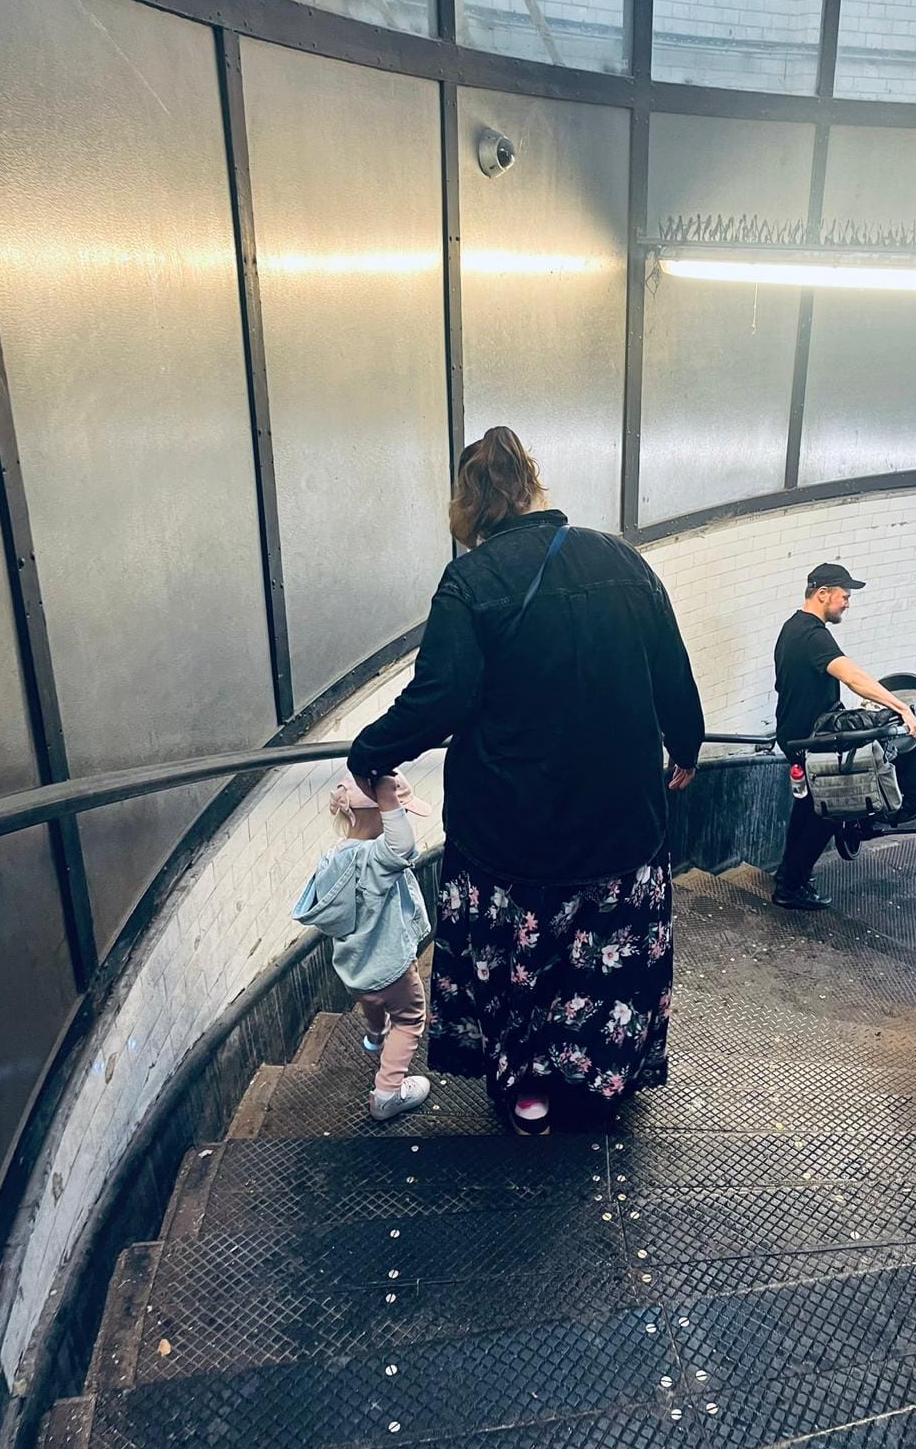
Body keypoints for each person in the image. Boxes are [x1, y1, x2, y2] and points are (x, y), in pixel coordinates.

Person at [347, 426, 704, 1135]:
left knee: (524, 960)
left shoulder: (471, 581)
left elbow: (441, 697)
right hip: (619, 820)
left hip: (512, 830)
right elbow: (674, 675)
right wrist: (686, 749)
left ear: (469, 506)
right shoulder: (624, 562)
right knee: (602, 964)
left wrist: (371, 752)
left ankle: (531, 1094)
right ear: (534, 486)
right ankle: (603, 1082)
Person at [772, 562, 916, 911]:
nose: (847, 603)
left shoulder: (790, 628)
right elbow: (852, 674)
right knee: (830, 810)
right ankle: (790, 888)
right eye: (844, 596)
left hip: (795, 734)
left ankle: (789, 876)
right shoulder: (813, 635)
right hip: (813, 741)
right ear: (822, 594)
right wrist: (901, 707)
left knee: (807, 809)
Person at [291, 772, 434, 1121]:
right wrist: (388, 798)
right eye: (396, 812)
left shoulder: (334, 859)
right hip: (392, 968)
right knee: (411, 1019)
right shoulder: (375, 860)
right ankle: (388, 1092)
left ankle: (374, 1036)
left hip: (354, 968)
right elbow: (402, 847)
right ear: (379, 813)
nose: (399, 819)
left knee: (372, 1002)